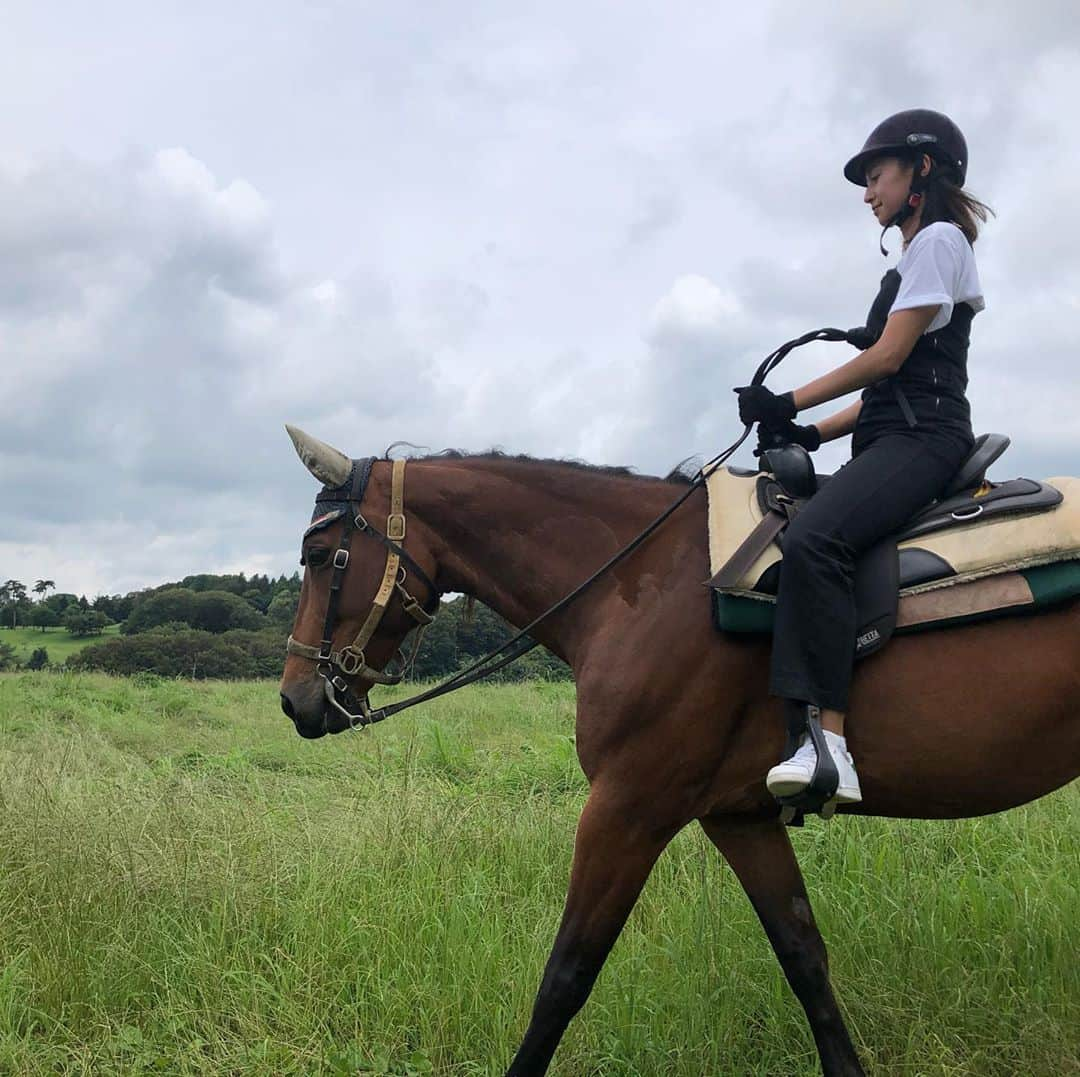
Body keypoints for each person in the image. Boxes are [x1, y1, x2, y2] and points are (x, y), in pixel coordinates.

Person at [735, 109, 993, 806]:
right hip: (893, 435)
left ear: (922, 171)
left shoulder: (940, 240)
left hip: (927, 441)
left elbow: (887, 357)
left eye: (876, 174)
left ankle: (830, 746)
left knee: (817, 540)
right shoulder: (917, 259)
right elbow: (886, 387)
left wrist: (784, 402)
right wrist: (810, 436)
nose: (866, 190)